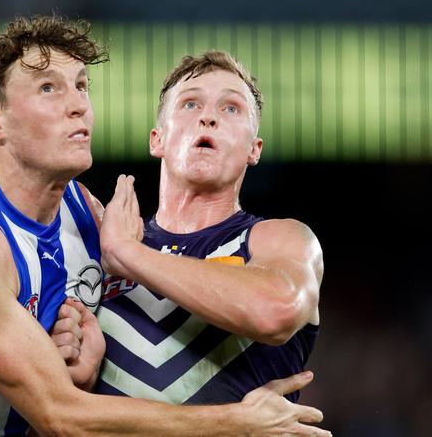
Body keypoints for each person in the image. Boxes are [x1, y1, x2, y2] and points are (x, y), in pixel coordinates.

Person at [0, 16, 330, 436]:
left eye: (82, 87)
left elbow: (275, 311)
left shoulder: (93, 224)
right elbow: (61, 414)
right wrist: (236, 424)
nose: (78, 106)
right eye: (49, 88)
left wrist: (82, 371)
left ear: (256, 147)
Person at [88, 50, 323, 405]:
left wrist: (128, 254)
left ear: (253, 149)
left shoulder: (280, 239)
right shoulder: (99, 247)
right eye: (190, 104)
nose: (209, 117)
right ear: (158, 139)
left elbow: (276, 311)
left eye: (231, 109)